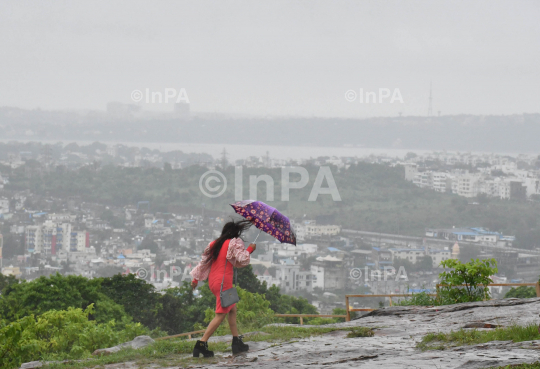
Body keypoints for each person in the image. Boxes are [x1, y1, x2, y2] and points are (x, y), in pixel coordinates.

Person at [190, 219, 256, 358]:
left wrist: (196, 278)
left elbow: (203, 263)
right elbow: (242, 259)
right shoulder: (233, 243)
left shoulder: (215, 244)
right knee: (220, 314)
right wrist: (250, 249)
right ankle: (201, 344)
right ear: (235, 232)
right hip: (223, 283)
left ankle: (236, 342)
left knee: (232, 308)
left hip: (214, 282)